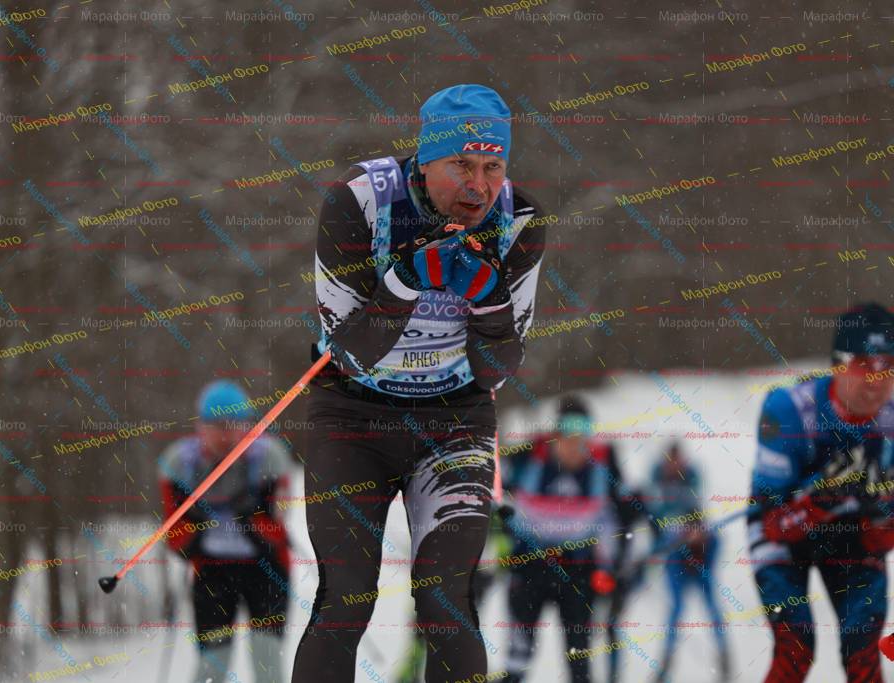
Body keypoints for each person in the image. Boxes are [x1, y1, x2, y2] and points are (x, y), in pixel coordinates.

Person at [292, 83, 547, 683]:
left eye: (492, 167)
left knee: (445, 599)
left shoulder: (518, 220)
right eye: (461, 164)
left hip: (454, 421)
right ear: (426, 159)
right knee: (346, 596)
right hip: (353, 415)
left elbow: (496, 371)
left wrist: (489, 301)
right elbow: (348, 355)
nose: (478, 186)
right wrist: (404, 283)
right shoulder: (359, 201)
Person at [748, 302, 894, 682]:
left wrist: (878, 513)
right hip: (785, 534)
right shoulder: (789, 410)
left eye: (888, 365)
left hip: (852, 532)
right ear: (838, 364)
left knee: (863, 649)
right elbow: (773, 526)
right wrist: (824, 497)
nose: (877, 378)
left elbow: (883, 533)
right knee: (796, 648)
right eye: (865, 363)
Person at [159, 381, 293, 683]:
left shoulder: (270, 458)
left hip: (266, 569)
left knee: (268, 661)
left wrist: (248, 512)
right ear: (200, 427)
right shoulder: (180, 464)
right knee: (212, 664)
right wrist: (197, 523)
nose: (225, 435)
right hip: (212, 571)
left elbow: (277, 528)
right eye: (216, 426)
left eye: (234, 426)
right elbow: (174, 537)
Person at [498, 397, 619, 683]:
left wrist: (612, 568)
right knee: (517, 660)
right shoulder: (527, 457)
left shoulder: (603, 466)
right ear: (556, 433)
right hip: (529, 567)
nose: (575, 442)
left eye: (583, 432)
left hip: (578, 571)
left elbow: (619, 518)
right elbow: (492, 497)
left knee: (579, 661)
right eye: (568, 431)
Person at [647, 443, 730, 682]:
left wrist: (695, 534)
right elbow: (654, 517)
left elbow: (698, 514)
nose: (674, 466)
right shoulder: (656, 478)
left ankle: (724, 657)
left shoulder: (691, 476)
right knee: (676, 609)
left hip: (699, 551)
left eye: (678, 462)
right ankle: (665, 664)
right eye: (670, 462)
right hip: (674, 553)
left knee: (711, 605)